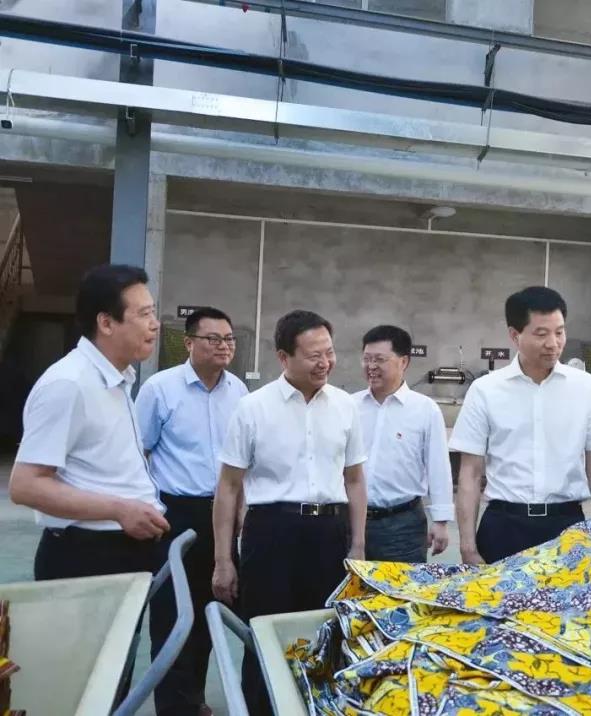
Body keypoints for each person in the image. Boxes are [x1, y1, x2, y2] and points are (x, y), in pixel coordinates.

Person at [210, 310, 367, 714]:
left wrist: (358, 545)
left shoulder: (346, 406)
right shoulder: (253, 408)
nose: (325, 363)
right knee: (264, 633)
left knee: (326, 635)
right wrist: (223, 560)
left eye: (329, 352)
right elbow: (228, 487)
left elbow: (354, 480)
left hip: (329, 535)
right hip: (271, 534)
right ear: (283, 357)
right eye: (314, 355)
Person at [9, 264, 167, 580]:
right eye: (144, 314)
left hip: (124, 547)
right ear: (106, 323)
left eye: (153, 312)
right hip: (88, 555)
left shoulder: (116, 379)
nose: (155, 324)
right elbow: (25, 485)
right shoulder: (69, 384)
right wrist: (119, 509)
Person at [450, 286, 591, 565]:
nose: (553, 343)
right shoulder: (485, 390)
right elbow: (470, 472)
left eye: (559, 332)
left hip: (566, 527)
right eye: (541, 334)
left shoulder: (585, 387)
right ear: (515, 335)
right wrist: (467, 546)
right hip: (504, 526)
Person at [135, 307, 248, 716]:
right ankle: (173, 707)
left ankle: (193, 698)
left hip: (224, 514)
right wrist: (152, 508)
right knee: (172, 614)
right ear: (188, 342)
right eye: (213, 339)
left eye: (228, 339)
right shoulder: (160, 389)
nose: (223, 346)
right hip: (176, 515)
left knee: (209, 609)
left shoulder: (239, 392)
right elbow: (137, 453)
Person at [353, 325, 453, 562]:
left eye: (380, 359)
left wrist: (440, 521)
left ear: (404, 362)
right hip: (351, 520)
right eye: (367, 359)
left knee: (400, 586)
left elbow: (438, 467)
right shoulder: (349, 406)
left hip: (402, 526)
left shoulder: (425, 410)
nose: (371, 366)